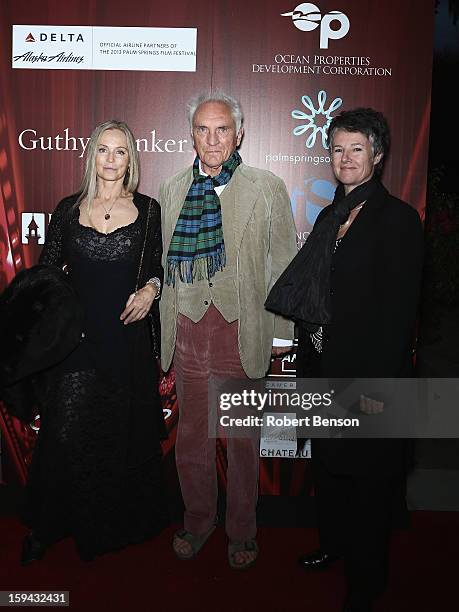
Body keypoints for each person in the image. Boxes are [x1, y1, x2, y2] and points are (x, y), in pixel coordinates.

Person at [266, 108, 423, 611]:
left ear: (377, 155)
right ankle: (333, 544)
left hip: (369, 375)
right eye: (338, 149)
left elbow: (400, 315)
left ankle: (368, 578)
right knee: (331, 469)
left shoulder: (396, 219)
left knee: (369, 481)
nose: (346, 158)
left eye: (357, 148)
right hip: (324, 367)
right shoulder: (332, 213)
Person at [159, 92, 297, 569]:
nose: (212, 139)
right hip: (190, 332)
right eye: (203, 129)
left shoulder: (267, 186)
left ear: (239, 133)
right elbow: (164, 264)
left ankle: (242, 530)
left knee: (242, 442)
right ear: (192, 135)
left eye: (222, 129)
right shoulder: (173, 188)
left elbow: (282, 265)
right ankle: (198, 521)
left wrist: (282, 334)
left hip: (245, 330)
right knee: (193, 437)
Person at [19, 119, 167, 564]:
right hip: (77, 344)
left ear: (131, 160)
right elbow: (46, 276)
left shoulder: (149, 209)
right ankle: (47, 526)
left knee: (115, 435)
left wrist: (150, 291)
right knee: (63, 434)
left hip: (125, 341)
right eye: (103, 149)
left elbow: (158, 266)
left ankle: (106, 526)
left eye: (120, 151)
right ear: (91, 156)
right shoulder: (67, 210)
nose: (110, 159)